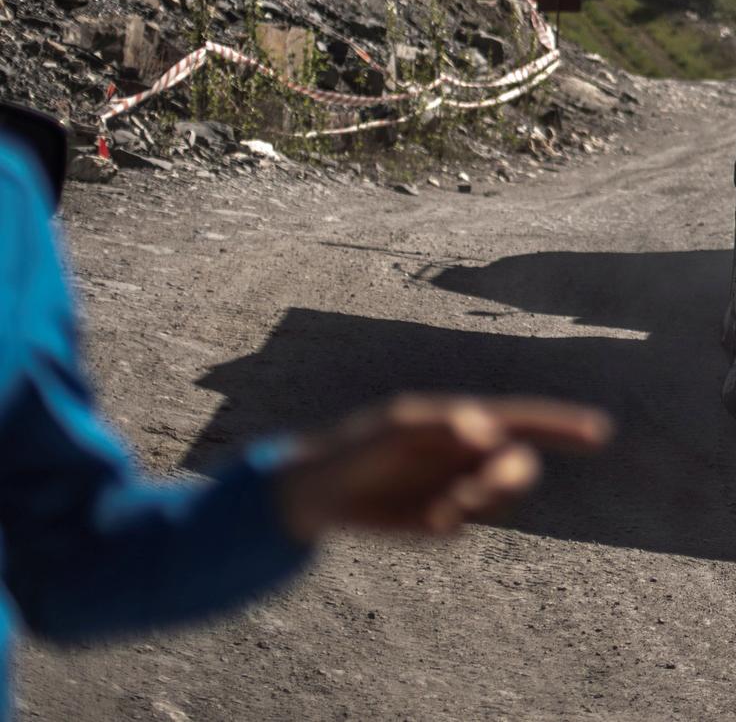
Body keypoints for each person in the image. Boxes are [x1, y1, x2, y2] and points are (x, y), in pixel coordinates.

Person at [0, 104, 611, 708]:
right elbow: (69, 564)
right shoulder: (12, 190)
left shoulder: (11, 193)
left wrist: (303, 490)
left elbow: (65, 557)